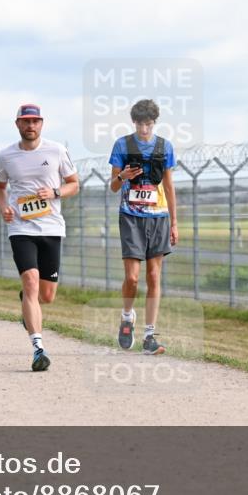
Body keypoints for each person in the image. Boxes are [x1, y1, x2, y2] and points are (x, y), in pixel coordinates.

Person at [0, 104, 79, 372]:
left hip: (51, 227)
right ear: (17, 124)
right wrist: (4, 207)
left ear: (42, 124)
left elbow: (74, 184)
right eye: (26, 121)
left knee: (47, 295)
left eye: (35, 121)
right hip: (21, 229)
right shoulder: (6, 155)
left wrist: (55, 192)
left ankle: (28, 306)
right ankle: (38, 348)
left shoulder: (56, 150)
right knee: (30, 282)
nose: (31, 126)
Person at [107, 99, 178, 355]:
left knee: (154, 276)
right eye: (140, 124)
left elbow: (169, 187)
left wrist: (174, 223)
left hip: (159, 217)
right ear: (133, 122)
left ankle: (150, 336)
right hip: (131, 216)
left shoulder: (165, 147)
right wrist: (122, 176)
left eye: (148, 124)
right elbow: (113, 186)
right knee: (133, 277)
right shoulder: (122, 145)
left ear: (154, 122)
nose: (144, 129)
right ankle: (127, 316)